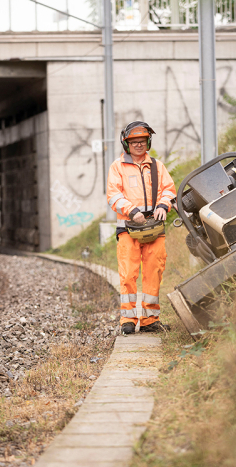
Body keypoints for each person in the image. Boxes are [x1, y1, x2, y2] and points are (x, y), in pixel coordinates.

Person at [106, 121, 176, 335]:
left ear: (148, 142)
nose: (138, 145)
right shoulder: (117, 167)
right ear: (126, 144)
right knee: (128, 274)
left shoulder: (157, 166)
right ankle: (127, 319)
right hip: (128, 228)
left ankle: (150, 320)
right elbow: (114, 195)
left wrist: (164, 204)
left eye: (142, 141)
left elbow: (169, 190)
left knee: (154, 272)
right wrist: (132, 211)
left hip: (154, 228)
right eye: (134, 142)